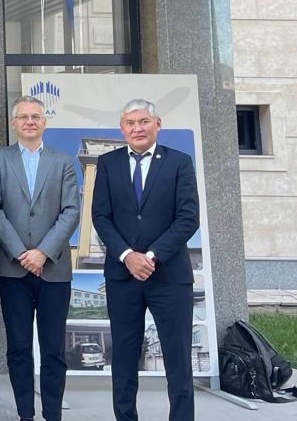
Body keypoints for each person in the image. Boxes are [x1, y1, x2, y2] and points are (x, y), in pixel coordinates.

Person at [91, 99, 199, 421]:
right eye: (130, 123)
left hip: (169, 276)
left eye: (143, 121)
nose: (137, 128)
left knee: (178, 360)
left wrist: (150, 256)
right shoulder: (107, 163)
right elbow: (101, 216)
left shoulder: (179, 162)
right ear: (122, 128)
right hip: (123, 276)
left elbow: (188, 218)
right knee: (124, 359)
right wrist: (127, 256)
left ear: (157, 124)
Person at [0, 96, 79, 421]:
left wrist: (42, 252)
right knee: (19, 348)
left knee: (54, 350)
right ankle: (25, 414)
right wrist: (21, 253)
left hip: (53, 268)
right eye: (23, 116)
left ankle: (52, 414)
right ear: (14, 123)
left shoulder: (62, 161)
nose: (29, 121)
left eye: (35, 116)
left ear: (44, 122)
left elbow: (71, 211)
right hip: (13, 269)